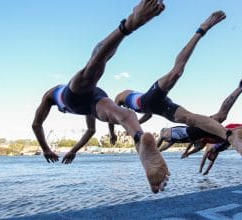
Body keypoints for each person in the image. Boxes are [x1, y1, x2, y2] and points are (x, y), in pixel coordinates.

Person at [32, 0, 169, 193]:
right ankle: (139, 136)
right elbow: (90, 131)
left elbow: (37, 124)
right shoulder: (66, 97)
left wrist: (47, 148)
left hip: (77, 100)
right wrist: (72, 150)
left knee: (94, 66)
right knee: (123, 114)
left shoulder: (52, 94)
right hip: (94, 99)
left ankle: (129, 25)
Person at [112, 11, 242, 164]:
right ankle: (231, 136)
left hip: (151, 96)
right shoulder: (138, 112)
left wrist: (112, 132)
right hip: (161, 107)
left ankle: (202, 29)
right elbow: (147, 114)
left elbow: (112, 114)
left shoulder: (121, 96)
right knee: (191, 118)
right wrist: (138, 124)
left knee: (176, 72)